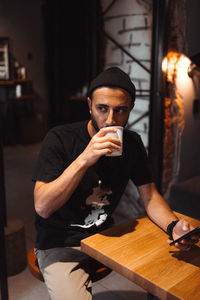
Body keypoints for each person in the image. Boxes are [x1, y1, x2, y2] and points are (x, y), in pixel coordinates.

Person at [33, 67, 199, 300]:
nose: (110, 120)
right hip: (59, 242)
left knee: (173, 272)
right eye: (102, 109)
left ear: (130, 109)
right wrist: (84, 159)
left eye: (120, 110)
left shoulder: (131, 143)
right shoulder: (60, 139)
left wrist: (173, 227)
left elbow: (149, 195)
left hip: (104, 236)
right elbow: (42, 206)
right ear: (89, 104)